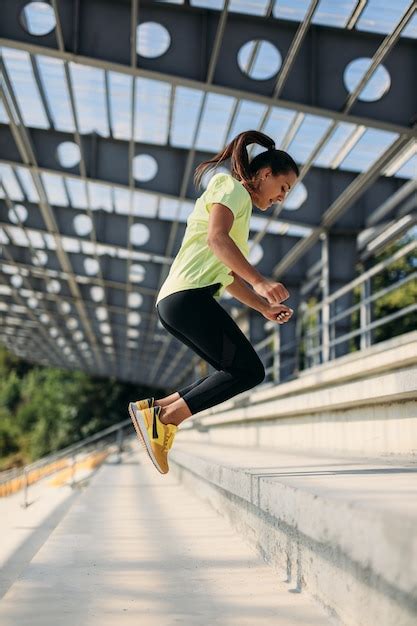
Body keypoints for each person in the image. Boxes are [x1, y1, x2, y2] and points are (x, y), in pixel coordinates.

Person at [128, 130, 299, 474]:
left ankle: (154, 408)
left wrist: (262, 306)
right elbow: (217, 240)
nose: (282, 197)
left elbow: (228, 274)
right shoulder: (229, 187)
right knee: (247, 370)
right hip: (187, 297)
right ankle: (165, 419)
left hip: (184, 299)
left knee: (235, 369)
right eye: (283, 187)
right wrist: (262, 281)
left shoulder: (241, 209)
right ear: (265, 174)